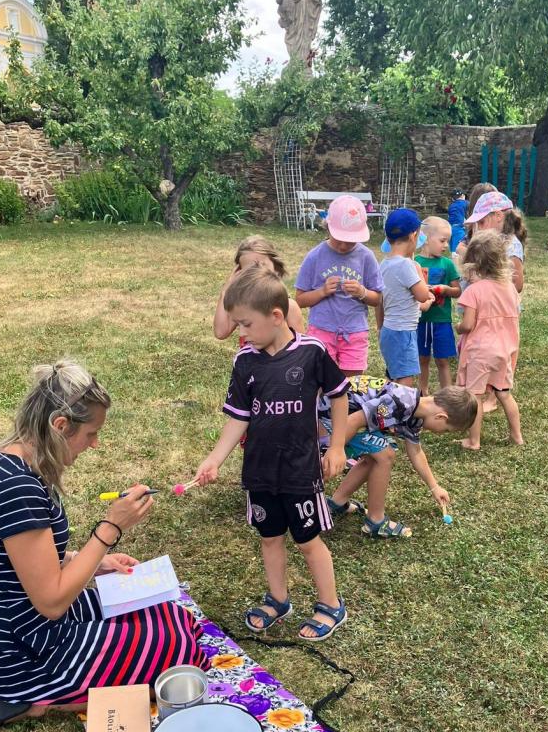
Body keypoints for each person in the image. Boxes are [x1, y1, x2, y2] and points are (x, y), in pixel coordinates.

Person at [0, 360, 209, 731]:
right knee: (177, 649)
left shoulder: (15, 462)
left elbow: (25, 562)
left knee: (169, 614)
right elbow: (52, 601)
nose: (95, 444)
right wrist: (110, 529)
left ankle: (54, 687)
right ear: (60, 425)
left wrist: (90, 561)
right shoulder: (17, 487)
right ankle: (34, 698)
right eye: (91, 433)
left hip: (30, 620)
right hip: (23, 646)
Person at [194, 266, 351, 642]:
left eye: (246, 324)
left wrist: (338, 445)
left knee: (307, 541)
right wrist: (214, 459)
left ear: (276, 316)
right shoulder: (244, 361)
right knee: (270, 538)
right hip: (260, 473)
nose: (242, 332)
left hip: (300, 470)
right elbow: (238, 417)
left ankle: (331, 605)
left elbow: (339, 394)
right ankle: (278, 599)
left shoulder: (312, 353)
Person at [318, 376, 477, 538]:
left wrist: (434, 487)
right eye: (446, 430)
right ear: (441, 417)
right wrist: (334, 450)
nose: (441, 433)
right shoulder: (400, 403)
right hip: (334, 413)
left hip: (348, 414)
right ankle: (376, 521)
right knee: (385, 455)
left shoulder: (417, 412)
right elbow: (353, 421)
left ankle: (337, 503)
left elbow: (416, 452)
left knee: (376, 456)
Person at [295, 194, 383, 376]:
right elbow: (300, 300)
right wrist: (322, 291)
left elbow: (377, 299)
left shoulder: (366, 257)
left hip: (355, 332)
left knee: (352, 384)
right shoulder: (315, 256)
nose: (343, 246)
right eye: (339, 238)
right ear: (327, 227)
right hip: (321, 330)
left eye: (350, 241)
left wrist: (362, 292)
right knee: (321, 379)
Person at [456, 231, 523, 450]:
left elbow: (468, 324)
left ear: (474, 262)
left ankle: (474, 441)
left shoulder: (473, 291)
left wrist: (458, 327)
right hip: (505, 350)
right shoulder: (510, 288)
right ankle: (517, 436)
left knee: (474, 396)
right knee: (504, 394)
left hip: (480, 352)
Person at [376, 207, 435, 386]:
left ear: (388, 238)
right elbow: (422, 295)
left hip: (388, 330)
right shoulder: (407, 265)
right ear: (413, 235)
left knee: (393, 374)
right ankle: (399, 404)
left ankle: (387, 401)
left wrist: (380, 327)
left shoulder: (384, 264)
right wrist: (420, 275)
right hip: (403, 332)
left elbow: (382, 301)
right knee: (405, 380)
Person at [213, 235, 303, 342]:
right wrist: (225, 290)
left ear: (275, 266)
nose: (258, 273)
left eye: (262, 265)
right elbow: (221, 332)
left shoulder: (289, 306)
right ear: (240, 274)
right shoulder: (243, 306)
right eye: (250, 270)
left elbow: (301, 346)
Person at [416, 217, 462, 393]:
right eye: (442, 241)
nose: (446, 246)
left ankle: (448, 394)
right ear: (426, 239)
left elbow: (457, 291)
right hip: (420, 320)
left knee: (442, 360)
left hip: (442, 321)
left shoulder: (447, 264)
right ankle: (423, 391)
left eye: (447, 241)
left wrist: (445, 289)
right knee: (422, 358)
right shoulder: (414, 263)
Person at [448, 189, 469, 254]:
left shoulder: (451, 206)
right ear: (463, 195)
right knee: (459, 249)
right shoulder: (465, 203)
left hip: (450, 228)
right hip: (459, 228)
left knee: (453, 249)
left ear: (453, 198)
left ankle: (453, 256)